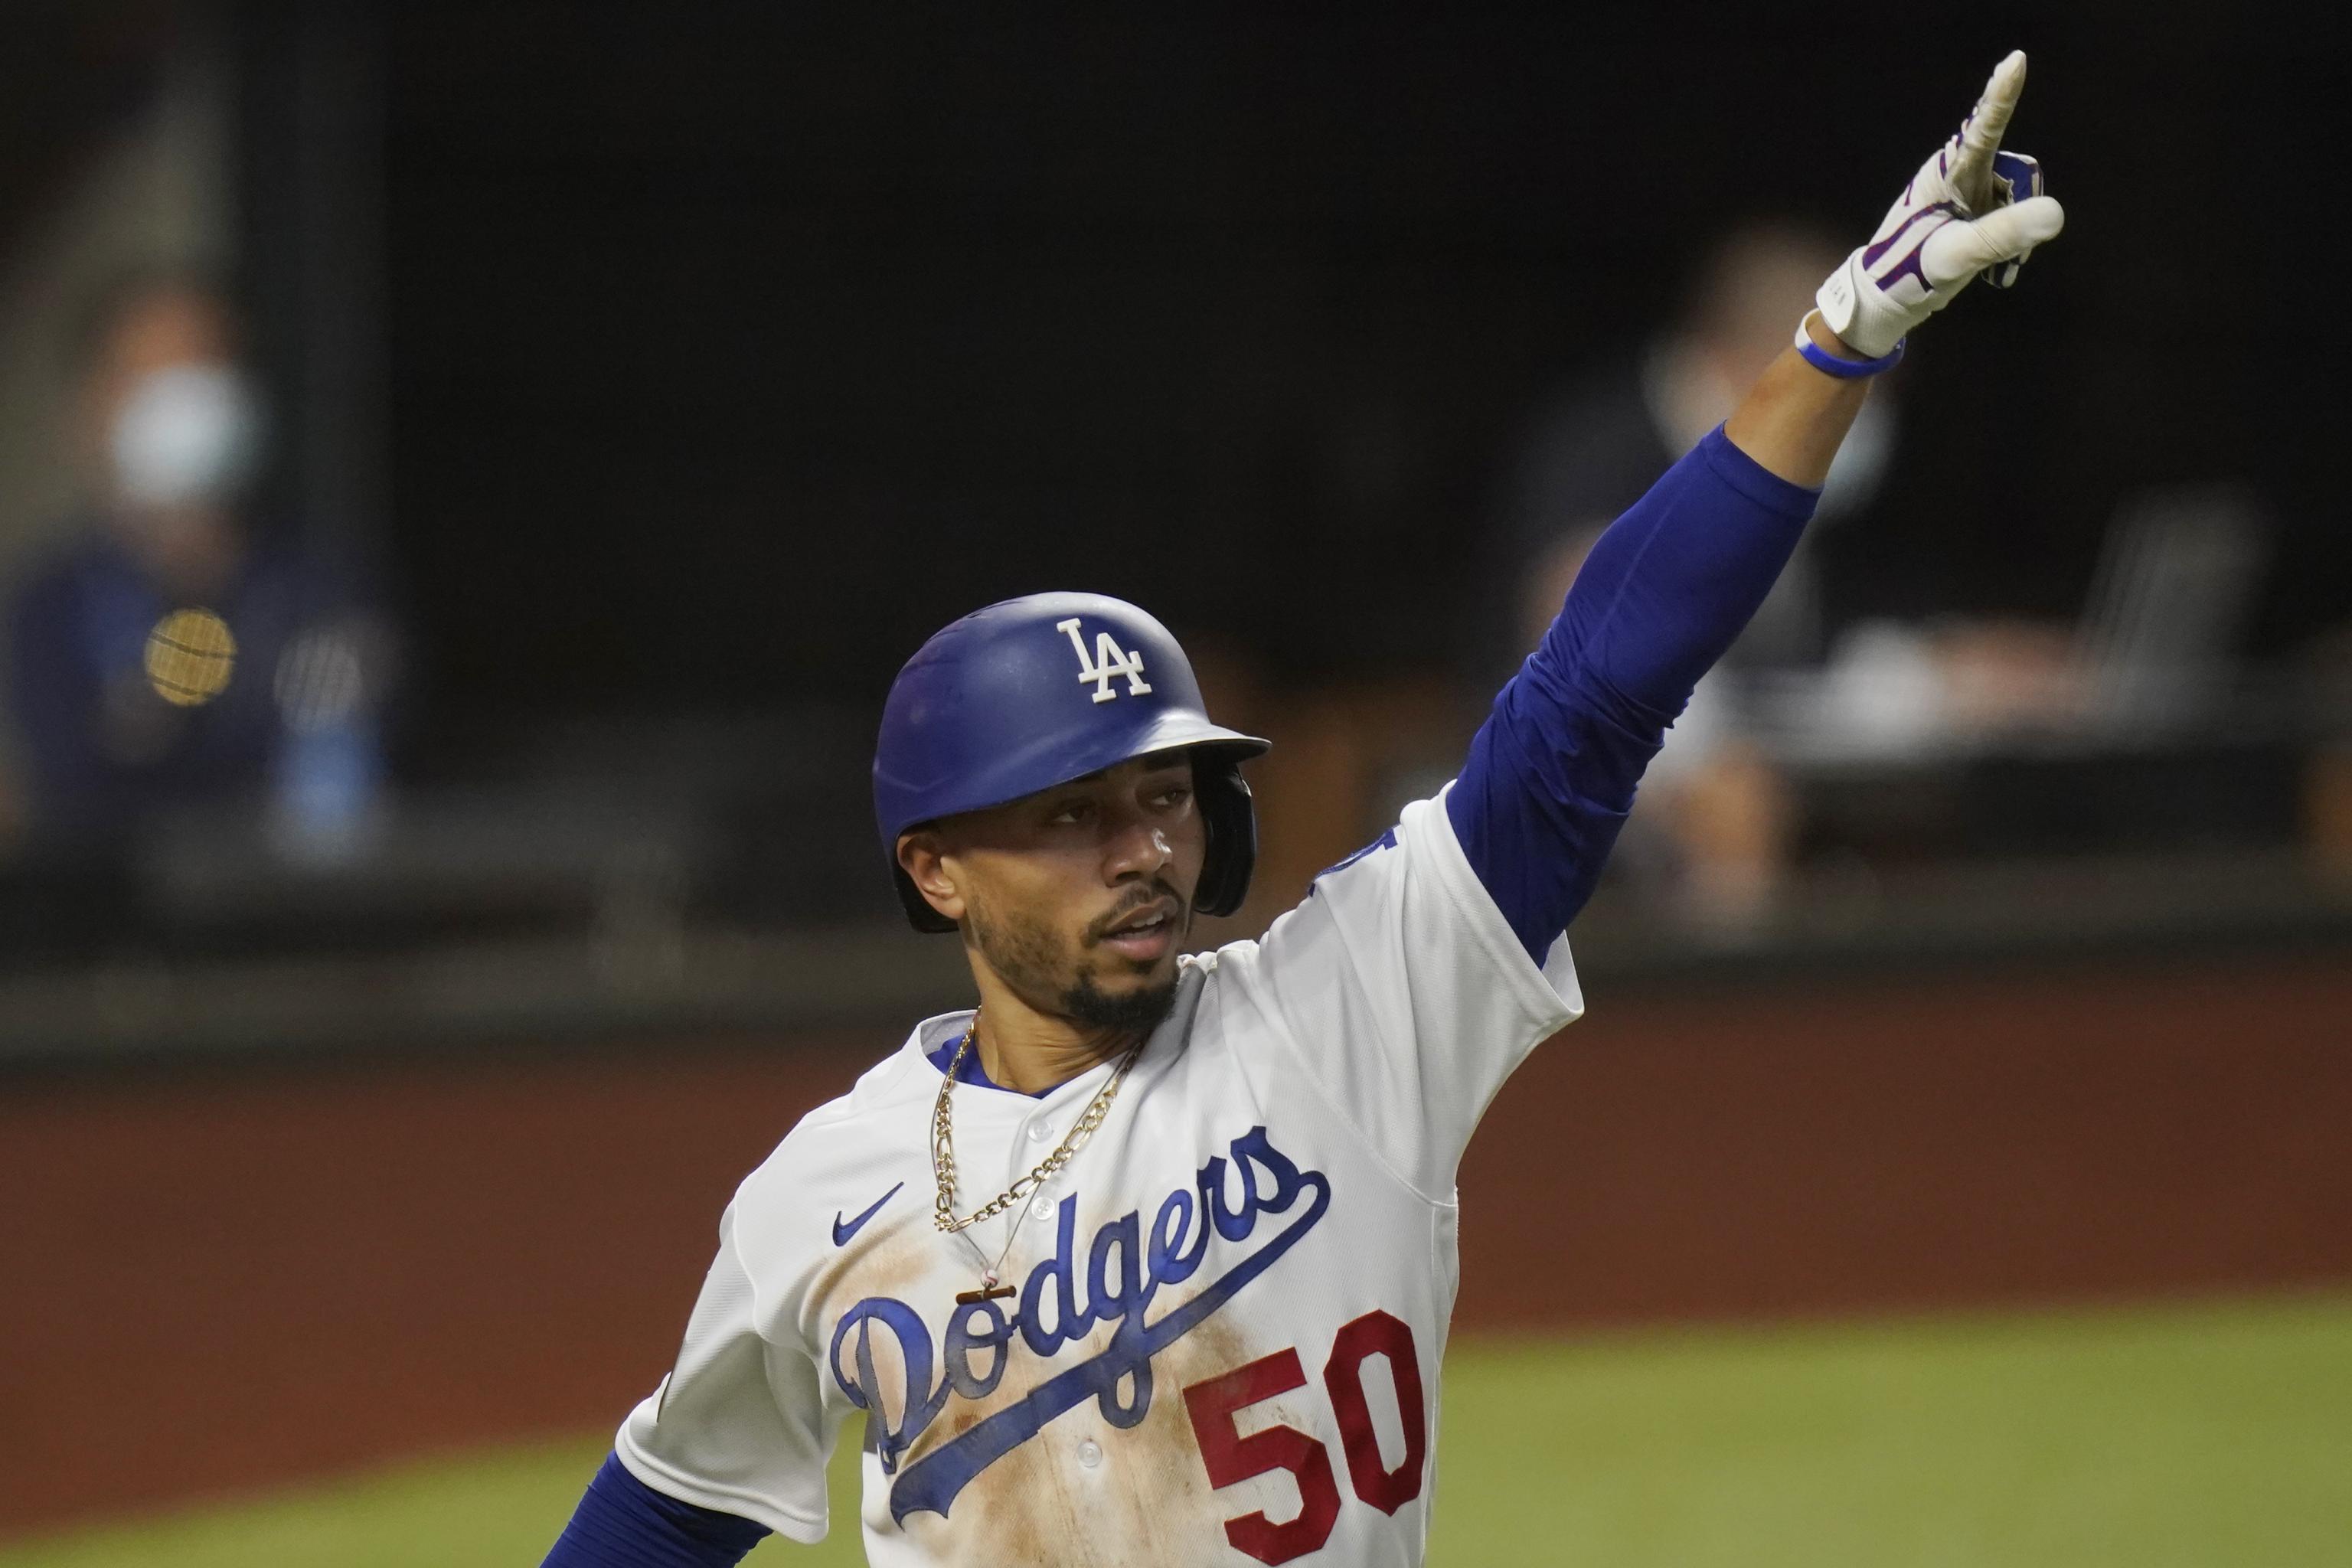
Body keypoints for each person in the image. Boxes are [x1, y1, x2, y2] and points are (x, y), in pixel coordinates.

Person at [542, 52, 2063, 1566]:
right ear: (936, 870)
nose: (1142, 847)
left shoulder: (1354, 1011)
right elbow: (667, 1509)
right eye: (1073, 815)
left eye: (1165, 798)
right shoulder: (830, 1188)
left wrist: (1841, 337)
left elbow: (1594, 689)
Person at [3, 273, 387, 861]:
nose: (187, 405)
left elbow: (356, 784)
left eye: (207, 373)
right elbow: (61, 792)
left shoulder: (325, 592)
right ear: (91, 406)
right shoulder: (48, 607)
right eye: (156, 379)